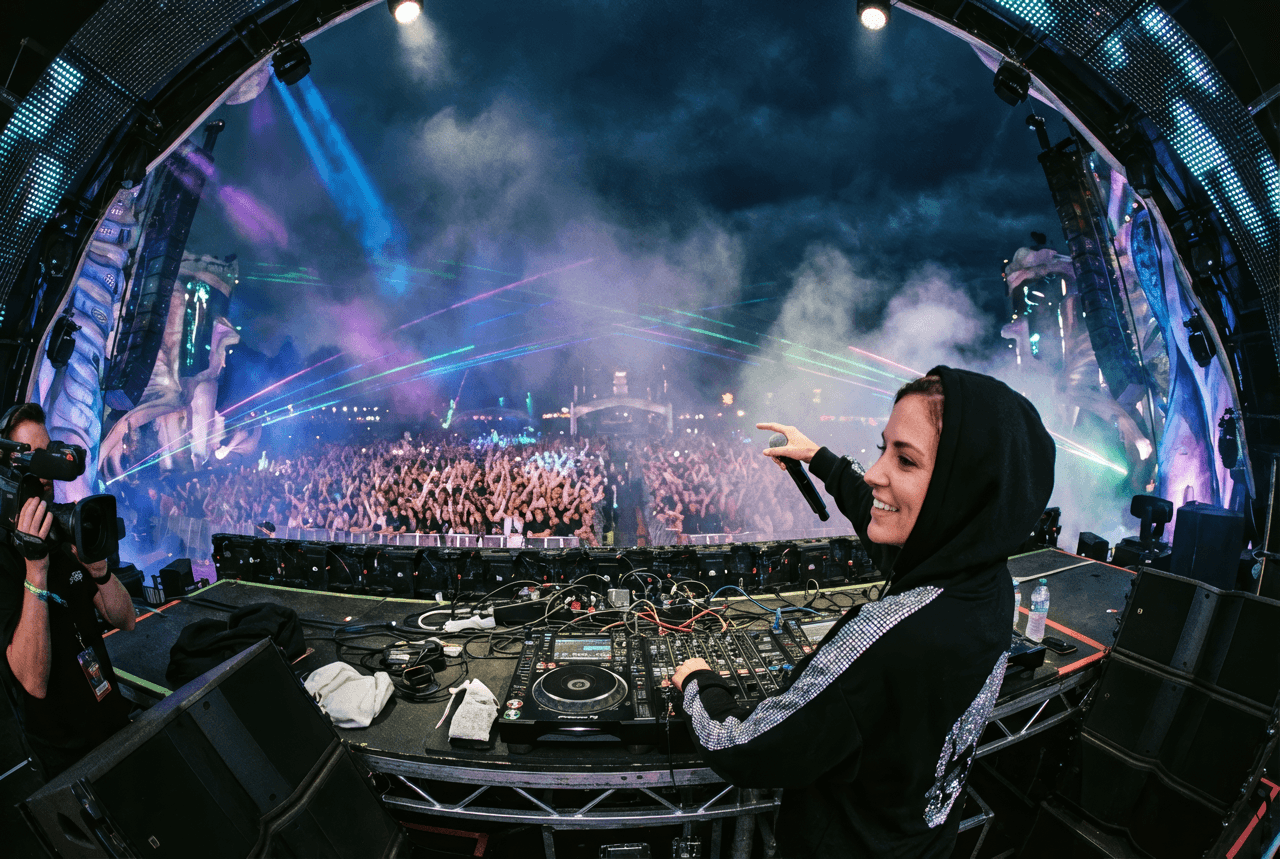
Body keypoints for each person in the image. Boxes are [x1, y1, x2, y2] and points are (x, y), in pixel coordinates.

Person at [671, 367, 1055, 858]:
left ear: (964, 487)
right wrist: (819, 459)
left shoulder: (888, 639)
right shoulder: (991, 584)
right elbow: (894, 536)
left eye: (906, 460)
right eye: (882, 448)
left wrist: (699, 683)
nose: (874, 473)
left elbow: (739, 747)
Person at [0, 403, 137, 778]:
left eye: (48, 453)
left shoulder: (62, 528)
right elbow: (32, 682)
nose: (46, 473)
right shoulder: (4, 559)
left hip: (113, 720)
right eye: (33, 458)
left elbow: (126, 619)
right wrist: (36, 569)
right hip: (66, 756)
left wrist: (100, 572)